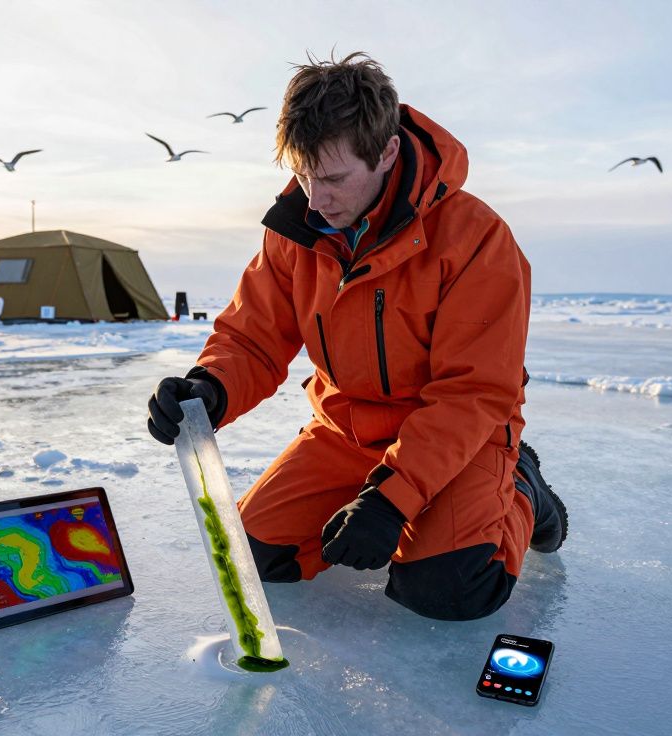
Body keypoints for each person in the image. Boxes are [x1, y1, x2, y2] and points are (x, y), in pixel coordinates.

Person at [147, 52, 567, 621]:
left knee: (445, 589)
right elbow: (253, 336)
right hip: (345, 430)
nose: (315, 200)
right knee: (252, 555)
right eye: (303, 175)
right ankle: (381, 496)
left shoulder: (478, 239)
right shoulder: (295, 231)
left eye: (333, 178)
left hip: (459, 437)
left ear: (387, 152)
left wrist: (391, 499)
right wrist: (210, 388)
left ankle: (520, 489)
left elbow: (473, 392)